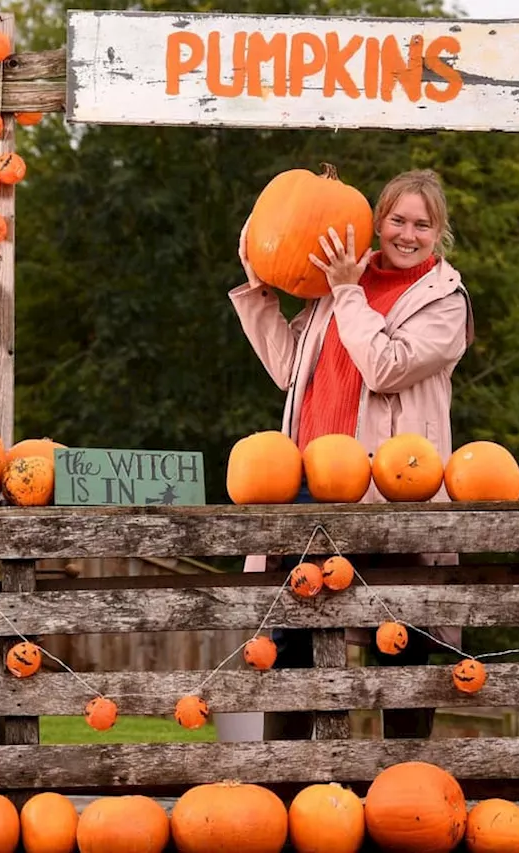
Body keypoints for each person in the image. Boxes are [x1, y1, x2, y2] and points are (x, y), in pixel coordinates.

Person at [219, 168, 474, 743]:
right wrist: (259, 288)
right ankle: (291, 782)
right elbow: (288, 368)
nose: (408, 234)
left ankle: (405, 783)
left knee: (400, 633)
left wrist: (347, 293)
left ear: (439, 233)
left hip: (390, 487)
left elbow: (384, 368)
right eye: (398, 220)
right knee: (293, 630)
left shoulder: (444, 302)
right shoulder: (337, 287)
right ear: (376, 223)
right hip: (309, 478)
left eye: (422, 224)